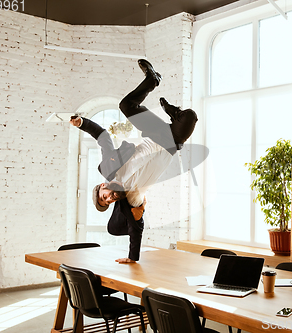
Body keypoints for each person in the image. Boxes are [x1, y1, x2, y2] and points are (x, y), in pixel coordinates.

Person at [70, 59, 198, 263]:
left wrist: (82, 123)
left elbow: (103, 136)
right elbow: (133, 229)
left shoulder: (109, 168)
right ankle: (175, 114)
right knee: (190, 117)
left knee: (126, 105)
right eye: (107, 203)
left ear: (102, 187)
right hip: (170, 142)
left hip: (154, 134)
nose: (108, 199)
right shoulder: (132, 199)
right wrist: (132, 257)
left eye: (103, 197)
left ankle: (152, 80)